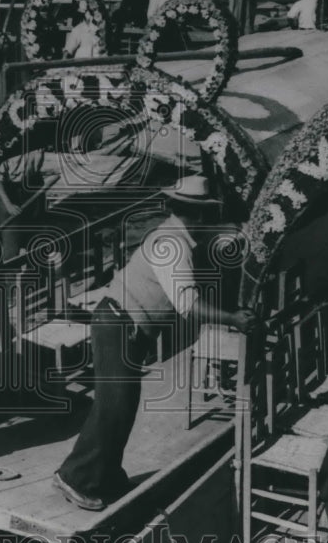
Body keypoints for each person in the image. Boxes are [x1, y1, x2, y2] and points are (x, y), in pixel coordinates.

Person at [53, 176, 257, 510]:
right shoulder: (173, 245)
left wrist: (237, 232)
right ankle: (76, 477)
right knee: (113, 405)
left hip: (124, 323)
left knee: (124, 404)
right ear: (198, 212)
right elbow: (188, 304)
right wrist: (234, 318)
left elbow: (215, 236)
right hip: (119, 323)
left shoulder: (178, 233)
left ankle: (105, 475)